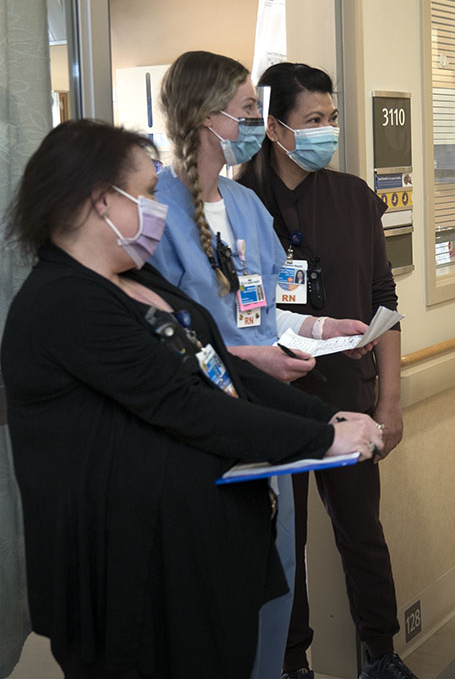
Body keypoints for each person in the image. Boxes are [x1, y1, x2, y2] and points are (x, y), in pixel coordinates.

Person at [1, 119, 384, 679]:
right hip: (129, 581)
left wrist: (328, 416)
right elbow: (187, 406)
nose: (159, 208)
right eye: (148, 192)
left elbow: (225, 371)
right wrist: (323, 439)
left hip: (197, 557)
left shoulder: (139, 280)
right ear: (100, 201)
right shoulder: (63, 304)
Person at [148, 51, 373, 678]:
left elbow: (269, 305)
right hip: (199, 432)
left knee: (274, 579)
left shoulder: (247, 209)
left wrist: (319, 328)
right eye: (249, 110)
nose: (256, 122)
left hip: (264, 424)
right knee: (216, 598)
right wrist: (252, 363)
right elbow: (160, 339)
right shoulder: (155, 213)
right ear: (205, 117)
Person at [237, 62, 414, 679]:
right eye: (313, 120)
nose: (326, 131)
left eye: (331, 119)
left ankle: (381, 655)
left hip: (348, 395)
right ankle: (292, 664)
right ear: (276, 126)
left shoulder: (354, 198)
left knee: (362, 533)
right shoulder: (241, 199)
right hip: (269, 404)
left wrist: (389, 403)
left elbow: (383, 301)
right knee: (284, 541)